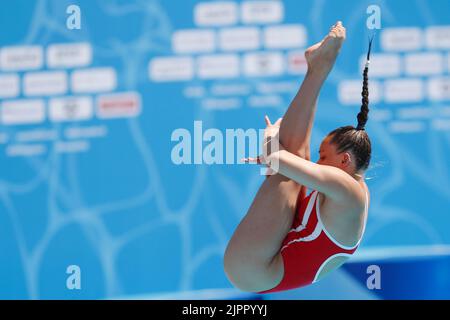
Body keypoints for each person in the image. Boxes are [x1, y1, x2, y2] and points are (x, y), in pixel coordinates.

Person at [223, 21, 372, 293]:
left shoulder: (347, 190)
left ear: (345, 161)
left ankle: (319, 68)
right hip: (265, 260)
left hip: (253, 268)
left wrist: (272, 134)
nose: (316, 163)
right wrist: (278, 159)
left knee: (288, 159)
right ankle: (318, 67)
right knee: (290, 160)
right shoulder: (350, 189)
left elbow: (276, 155)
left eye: (323, 156)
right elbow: (280, 160)